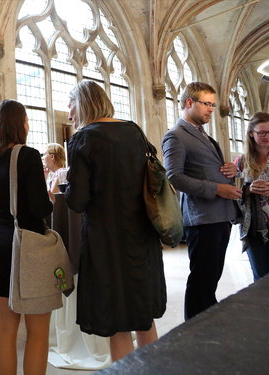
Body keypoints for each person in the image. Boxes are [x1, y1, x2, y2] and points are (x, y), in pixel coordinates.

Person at [65, 80, 166, 362]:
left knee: (117, 320)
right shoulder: (134, 131)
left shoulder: (84, 138)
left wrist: (66, 184)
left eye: (71, 105)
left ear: (83, 103)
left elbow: (78, 201)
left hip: (106, 240)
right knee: (143, 315)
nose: (69, 113)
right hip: (142, 235)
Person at [0, 99, 53, 375]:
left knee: (6, 327)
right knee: (38, 331)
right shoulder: (28, 156)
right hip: (27, 245)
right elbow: (41, 208)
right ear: (19, 123)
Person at [162, 82, 241, 321]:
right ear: (189, 102)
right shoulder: (175, 136)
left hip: (220, 216)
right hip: (202, 218)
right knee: (201, 279)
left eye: (213, 105)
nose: (210, 109)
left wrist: (229, 170)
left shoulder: (202, 135)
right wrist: (216, 188)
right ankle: (194, 331)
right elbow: (174, 176)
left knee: (211, 278)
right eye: (206, 104)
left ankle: (207, 324)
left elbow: (204, 168)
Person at [234, 112, 269, 281]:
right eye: (261, 132)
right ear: (251, 133)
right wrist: (248, 189)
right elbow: (231, 192)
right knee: (261, 277)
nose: (266, 136)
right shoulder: (241, 162)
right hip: (254, 226)